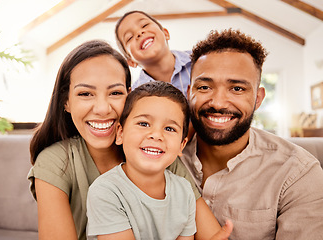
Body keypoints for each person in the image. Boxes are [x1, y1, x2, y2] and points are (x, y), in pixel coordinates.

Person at [27, 40, 216, 240]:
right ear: (66, 102)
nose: (102, 108)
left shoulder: (156, 154)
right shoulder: (56, 162)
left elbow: (211, 235)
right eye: (85, 93)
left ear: (129, 95)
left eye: (115, 93)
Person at [181, 28, 323, 239]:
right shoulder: (160, 157)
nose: (218, 102)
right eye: (204, 87)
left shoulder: (298, 173)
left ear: (258, 98)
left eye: (237, 89)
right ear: (189, 92)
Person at [86, 81, 232, 240]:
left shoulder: (184, 191)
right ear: (120, 133)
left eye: (169, 129)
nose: (156, 135)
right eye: (143, 123)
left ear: (181, 146)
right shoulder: (106, 191)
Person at [115, 10, 191, 96]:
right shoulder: (135, 96)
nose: (139, 33)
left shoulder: (199, 58)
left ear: (165, 33)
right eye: (130, 37)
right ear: (131, 62)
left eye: (145, 25)